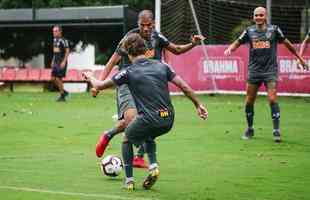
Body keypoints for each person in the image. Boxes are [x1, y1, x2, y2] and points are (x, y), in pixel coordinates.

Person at [83, 33, 208, 190]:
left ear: (128, 54)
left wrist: (89, 77)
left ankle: (129, 181)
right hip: (168, 119)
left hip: (150, 119)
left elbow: (99, 85)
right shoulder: (162, 65)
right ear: (146, 50)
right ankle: (153, 166)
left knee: (127, 137)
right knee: (148, 133)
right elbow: (184, 86)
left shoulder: (127, 72)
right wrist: (198, 105)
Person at [93, 10, 206, 168]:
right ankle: (129, 151)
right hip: (127, 81)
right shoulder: (130, 39)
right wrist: (99, 83)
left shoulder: (157, 37)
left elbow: (177, 50)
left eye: (149, 25)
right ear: (138, 24)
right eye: (142, 25)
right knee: (133, 120)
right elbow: (113, 61)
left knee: (152, 119)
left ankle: (120, 143)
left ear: (153, 24)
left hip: (149, 84)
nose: (146, 29)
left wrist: (193, 43)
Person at [224, 7, 308, 142]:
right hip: (254, 71)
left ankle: (276, 130)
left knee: (272, 99)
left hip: (270, 70)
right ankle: (250, 128)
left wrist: (300, 57)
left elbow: (288, 44)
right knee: (249, 100)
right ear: (253, 17)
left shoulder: (274, 30)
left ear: (265, 16)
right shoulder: (249, 31)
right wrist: (230, 48)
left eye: (261, 15)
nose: (258, 17)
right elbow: (238, 42)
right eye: (256, 15)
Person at [51, 25, 70, 102]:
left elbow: (67, 51)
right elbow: (55, 52)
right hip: (55, 61)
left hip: (61, 61)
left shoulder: (63, 40)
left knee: (59, 78)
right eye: (53, 31)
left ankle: (62, 96)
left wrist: (64, 61)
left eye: (55, 31)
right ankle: (64, 92)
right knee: (53, 78)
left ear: (60, 31)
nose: (54, 33)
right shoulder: (54, 40)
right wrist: (53, 60)